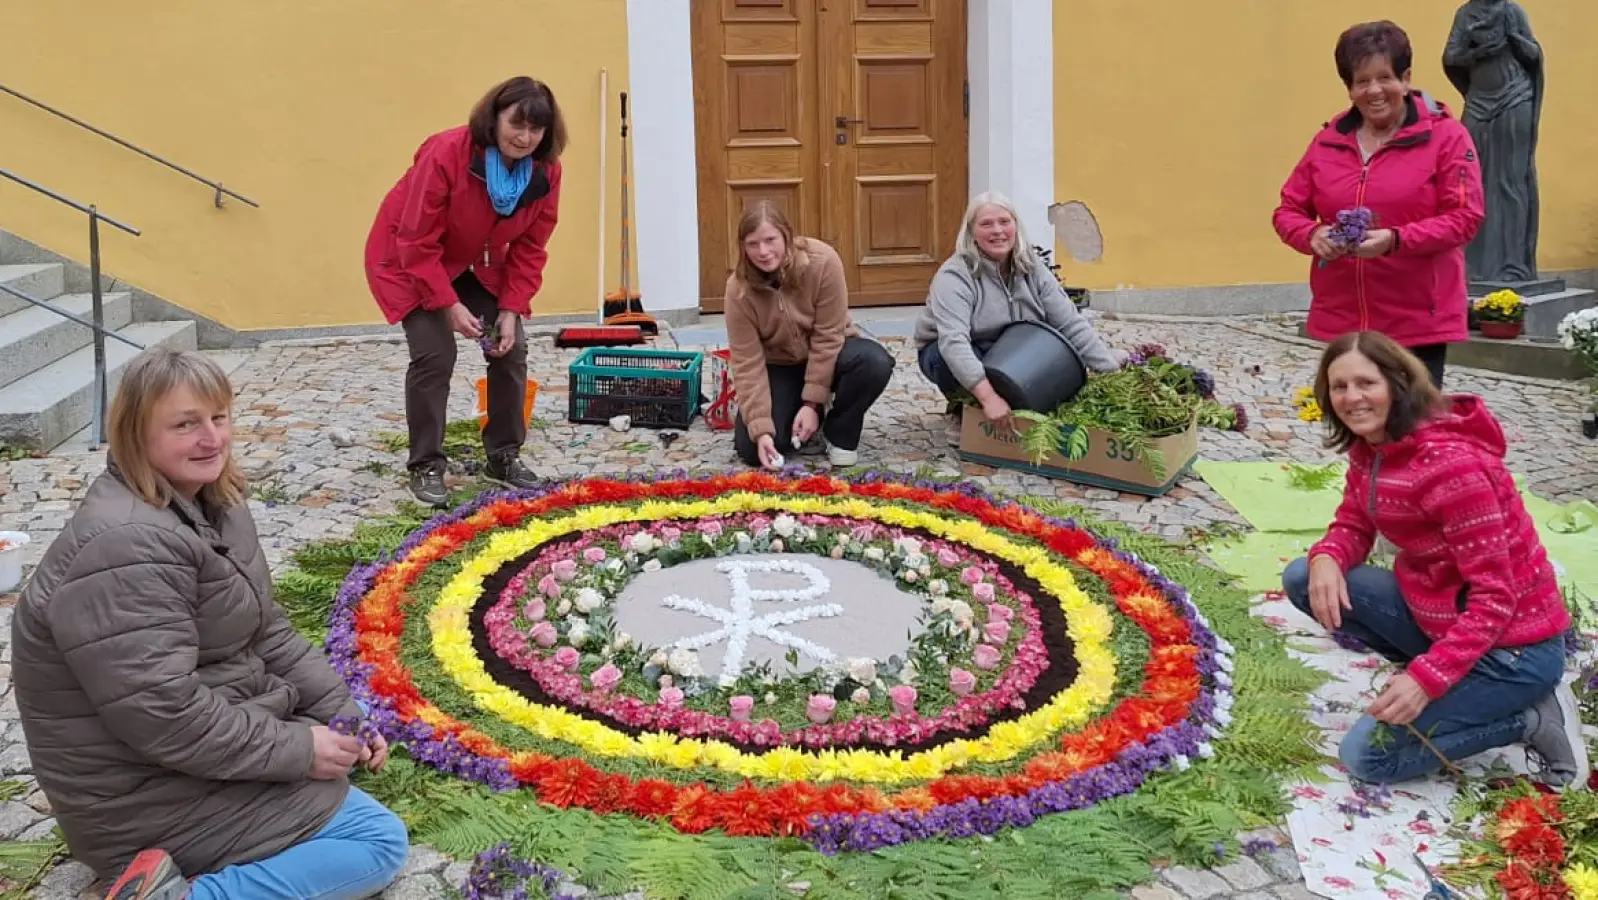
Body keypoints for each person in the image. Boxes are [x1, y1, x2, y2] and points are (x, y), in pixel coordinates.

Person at [11, 348, 409, 900]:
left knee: (351, 732)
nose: (212, 439)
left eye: (218, 418)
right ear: (135, 434)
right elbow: (165, 715)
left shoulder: (209, 499)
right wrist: (298, 749)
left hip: (187, 748)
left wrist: (339, 717)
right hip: (139, 793)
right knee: (375, 843)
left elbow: (266, 629)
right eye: (184, 424)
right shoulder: (125, 543)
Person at [1280, 331, 1583, 788]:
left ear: (1398, 384)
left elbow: (1495, 599)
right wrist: (1326, 555)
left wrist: (1427, 678)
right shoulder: (1373, 449)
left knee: (1367, 758)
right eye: (1338, 387)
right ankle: (1457, 686)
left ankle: (1533, 718)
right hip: (1445, 616)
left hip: (1514, 650)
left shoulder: (1453, 469)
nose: (1351, 397)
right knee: (1305, 576)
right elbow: (1354, 524)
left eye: (1366, 383)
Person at [365, 75, 566, 505]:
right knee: (436, 353)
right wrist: (448, 305)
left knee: (507, 348)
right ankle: (425, 465)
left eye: (536, 129)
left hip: (474, 265)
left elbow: (531, 247)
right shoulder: (447, 154)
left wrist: (511, 308)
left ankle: (503, 455)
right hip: (409, 260)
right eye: (516, 124)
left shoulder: (545, 172)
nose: (525, 137)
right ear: (494, 118)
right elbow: (415, 240)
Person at [1273, 21, 1485, 390]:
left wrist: (1394, 240)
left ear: (1405, 79)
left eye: (1384, 77)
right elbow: (1287, 211)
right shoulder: (1328, 142)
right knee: (1357, 428)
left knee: (1411, 432)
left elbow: (1465, 218)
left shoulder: (1447, 137)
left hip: (1417, 322)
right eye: (1361, 81)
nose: (1374, 91)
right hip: (1344, 321)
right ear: (1349, 88)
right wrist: (1313, 234)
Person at [912, 192, 1123, 447]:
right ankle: (963, 409)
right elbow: (954, 342)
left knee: (1056, 356)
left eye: (1004, 221)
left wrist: (1112, 376)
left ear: (1015, 226)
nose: (998, 231)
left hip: (1016, 347)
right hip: (959, 349)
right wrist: (989, 398)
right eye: (986, 224)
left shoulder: (1032, 268)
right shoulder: (954, 277)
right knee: (946, 357)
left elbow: (1070, 322)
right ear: (971, 233)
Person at [725, 202, 896, 470]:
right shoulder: (738, 290)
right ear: (742, 246)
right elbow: (747, 363)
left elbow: (829, 336)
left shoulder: (824, 261)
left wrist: (811, 403)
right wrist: (761, 431)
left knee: (874, 362)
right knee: (751, 449)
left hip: (833, 351)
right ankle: (793, 417)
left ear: (787, 235)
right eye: (753, 244)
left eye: (771, 240)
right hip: (780, 364)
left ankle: (839, 431)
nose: (763, 252)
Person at [1444, 0, 1545, 283]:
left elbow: (1533, 55)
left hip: (1514, 98)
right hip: (1478, 102)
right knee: (1471, 182)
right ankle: (1474, 265)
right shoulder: (1465, 14)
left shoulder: (1511, 11)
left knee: (1511, 182)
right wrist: (1476, 51)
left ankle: (1514, 265)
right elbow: (1451, 57)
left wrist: (1514, 39)